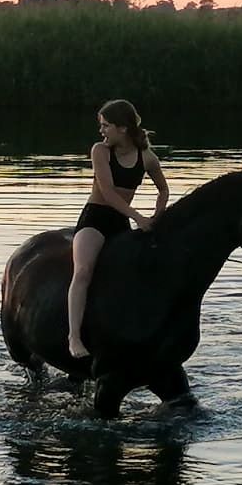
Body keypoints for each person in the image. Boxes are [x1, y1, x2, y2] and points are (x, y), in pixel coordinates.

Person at [67, 99, 169, 359]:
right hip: (95, 218)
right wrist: (139, 218)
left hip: (120, 221)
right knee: (83, 270)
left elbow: (163, 189)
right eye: (101, 126)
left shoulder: (147, 158)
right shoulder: (100, 151)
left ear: (122, 128)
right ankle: (74, 337)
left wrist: (157, 214)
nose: (102, 131)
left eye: (106, 126)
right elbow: (108, 193)